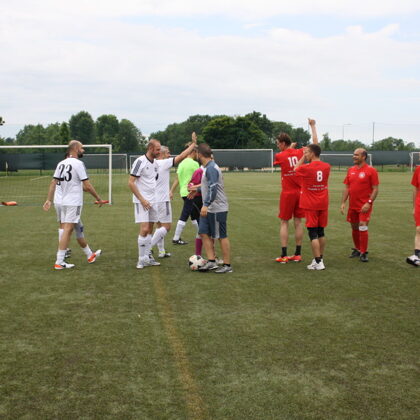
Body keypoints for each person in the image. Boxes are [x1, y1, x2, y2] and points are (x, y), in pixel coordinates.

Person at [43, 140, 106, 270]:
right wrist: (98, 198)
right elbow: (87, 185)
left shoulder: (61, 163)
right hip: (73, 203)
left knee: (78, 227)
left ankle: (90, 255)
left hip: (63, 202)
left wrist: (49, 199)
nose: (83, 150)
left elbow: (54, 182)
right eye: (82, 148)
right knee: (68, 229)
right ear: (76, 148)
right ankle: (59, 261)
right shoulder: (78, 164)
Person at [273, 118, 319, 263]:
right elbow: (315, 144)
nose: (277, 146)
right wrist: (313, 126)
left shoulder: (279, 155)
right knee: (298, 222)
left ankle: (284, 255)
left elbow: (284, 156)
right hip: (301, 193)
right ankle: (297, 254)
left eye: (278, 143)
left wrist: (288, 149)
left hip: (288, 193)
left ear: (282, 143)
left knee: (284, 222)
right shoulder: (301, 152)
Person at [150, 134, 198, 258]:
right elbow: (182, 156)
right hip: (162, 200)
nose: (169, 155)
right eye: (168, 153)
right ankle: (148, 248)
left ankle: (161, 251)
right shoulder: (163, 163)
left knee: (159, 226)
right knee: (166, 227)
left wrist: (170, 190)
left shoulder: (152, 163)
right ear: (161, 153)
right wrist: (193, 143)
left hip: (153, 199)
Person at [196, 143, 232, 274]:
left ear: (200, 154)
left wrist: (206, 204)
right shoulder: (208, 167)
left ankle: (227, 265)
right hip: (209, 208)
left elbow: (213, 188)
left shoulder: (211, 168)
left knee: (221, 236)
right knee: (203, 232)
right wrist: (196, 190)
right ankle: (211, 261)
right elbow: (207, 186)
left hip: (217, 208)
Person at [294, 143, 330, 270]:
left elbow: (295, 168)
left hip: (311, 204)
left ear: (312, 153)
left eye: (307, 152)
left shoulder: (306, 168)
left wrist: (302, 158)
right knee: (321, 232)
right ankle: (319, 258)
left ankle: (318, 262)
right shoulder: (327, 166)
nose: (305, 154)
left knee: (313, 233)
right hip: (323, 202)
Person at [128, 139, 163, 269]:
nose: (159, 152)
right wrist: (142, 199)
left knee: (150, 229)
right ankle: (141, 260)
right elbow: (131, 182)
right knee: (144, 229)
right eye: (157, 149)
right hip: (141, 201)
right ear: (150, 148)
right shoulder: (140, 161)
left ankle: (148, 257)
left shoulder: (156, 164)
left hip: (153, 200)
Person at [340, 148, 379, 262]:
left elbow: (375, 189)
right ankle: (357, 249)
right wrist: (343, 202)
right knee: (354, 227)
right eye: (354, 154)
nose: (354, 156)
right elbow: (347, 187)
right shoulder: (350, 170)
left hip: (364, 206)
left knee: (362, 225)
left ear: (363, 157)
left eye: (357, 155)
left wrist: (369, 203)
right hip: (353, 205)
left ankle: (363, 252)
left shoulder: (371, 170)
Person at [170, 144, 200, 245]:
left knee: (194, 215)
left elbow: (177, 179)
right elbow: (199, 178)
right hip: (191, 192)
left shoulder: (181, 163)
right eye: (197, 152)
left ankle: (201, 234)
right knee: (186, 214)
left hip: (183, 192)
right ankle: (176, 238)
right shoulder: (195, 164)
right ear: (193, 152)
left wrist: (171, 190)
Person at [406, 164, 420, 266]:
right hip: (419, 203)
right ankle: (417, 256)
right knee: (419, 229)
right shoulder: (418, 170)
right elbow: (415, 189)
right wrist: (414, 206)